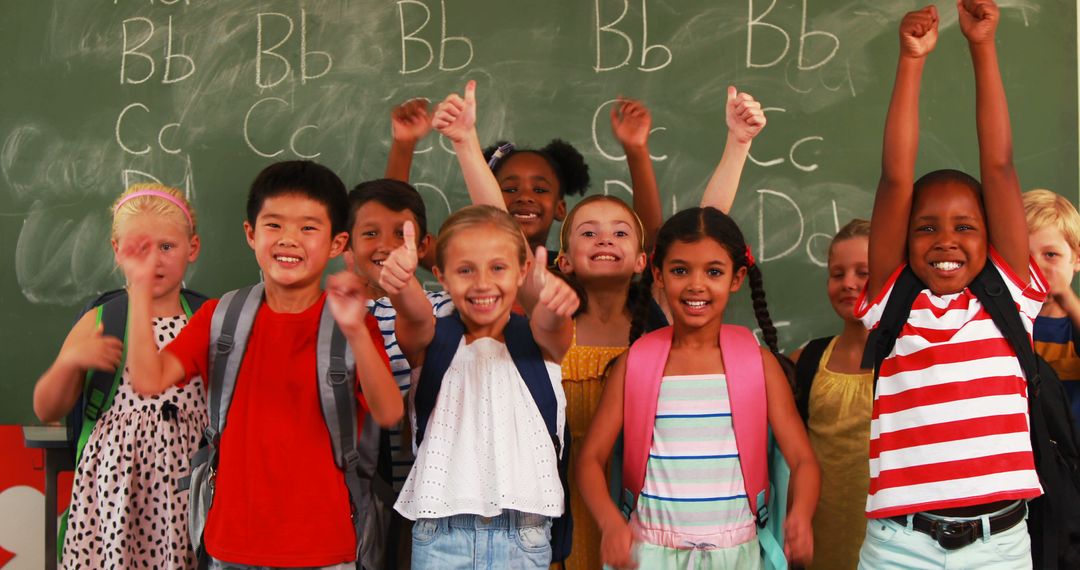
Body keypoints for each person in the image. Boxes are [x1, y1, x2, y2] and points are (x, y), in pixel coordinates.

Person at [120, 161, 403, 569]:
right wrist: (140, 290)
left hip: (325, 547)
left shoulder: (353, 322)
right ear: (251, 234)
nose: (289, 239)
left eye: (308, 228)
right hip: (230, 544)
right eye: (274, 225)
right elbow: (148, 379)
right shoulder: (221, 316)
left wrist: (356, 331)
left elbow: (389, 411)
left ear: (338, 243)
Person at [857, 2, 1045, 567]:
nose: (946, 241)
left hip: (1000, 546)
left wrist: (982, 48)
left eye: (965, 227)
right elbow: (895, 177)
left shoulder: (1011, 296)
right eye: (927, 228)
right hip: (899, 546)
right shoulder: (892, 301)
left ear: (991, 238)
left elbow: (1001, 167)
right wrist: (911, 60)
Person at [576, 207, 819, 569]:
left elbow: (803, 460)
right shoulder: (636, 365)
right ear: (658, 274)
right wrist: (611, 524)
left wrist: (800, 515)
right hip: (649, 554)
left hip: (737, 555)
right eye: (679, 270)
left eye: (714, 272)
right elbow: (590, 461)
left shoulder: (759, 365)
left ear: (736, 279)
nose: (696, 285)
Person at [389, 204, 580, 568]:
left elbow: (552, 322)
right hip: (440, 532)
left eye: (498, 268)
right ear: (441, 277)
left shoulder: (539, 344)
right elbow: (414, 314)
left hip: (523, 533)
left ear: (522, 271)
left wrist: (552, 300)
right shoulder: (433, 341)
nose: (481, 283)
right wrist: (401, 284)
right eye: (465, 270)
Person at [33, 183, 205, 569]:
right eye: (138, 249)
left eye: (166, 247)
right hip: (112, 494)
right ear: (116, 251)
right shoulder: (103, 319)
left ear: (191, 249)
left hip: (188, 487)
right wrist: (69, 363)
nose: (153, 262)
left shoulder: (207, 319)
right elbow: (47, 407)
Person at [345, 177, 455, 568]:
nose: (385, 245)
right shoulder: (335, 315)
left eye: (400, 234)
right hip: (355, 495)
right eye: (370, 233)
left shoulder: (446, 307)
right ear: (345, 244)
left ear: (424, 247)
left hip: (431, 496)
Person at [791, 218, 873, 570]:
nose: (849, 284)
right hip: (816, 538)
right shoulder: (807, 360)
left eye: (863, 272)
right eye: (837, 274)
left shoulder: (909, 363)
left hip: (891, 542)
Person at [1024, 189, 1080, 430]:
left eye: (1051, 255)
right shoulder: (1004, 322)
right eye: (1023, 256)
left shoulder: (1072, 324)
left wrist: (1064, 296)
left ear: (1077, 259)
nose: (1036, 268)